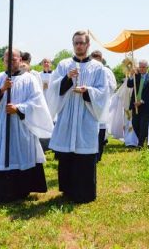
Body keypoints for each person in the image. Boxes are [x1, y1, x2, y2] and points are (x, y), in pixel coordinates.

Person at [0, 48, 54, 204]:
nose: (10, 62)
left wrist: (19, 108)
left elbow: (37, 102)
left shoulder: (29, 79)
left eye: (13, 59)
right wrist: (1, 90)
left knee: (21, 155)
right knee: (3, 156)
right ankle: (3, 192)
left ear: (20, 60)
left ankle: (22, 191)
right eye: (7, 59)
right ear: (3, 61)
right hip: (2, 127)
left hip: (21, 126)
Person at [47, 30, 109, 203]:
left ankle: (85, 192)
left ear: (88, 45)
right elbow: (53, 89)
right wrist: (66, 78)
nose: (79, 46)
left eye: (82, 43)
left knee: (84, 155)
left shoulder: (98, 68)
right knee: (67, 155)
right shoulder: (64, 65)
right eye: (76, 43)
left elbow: (104, 92)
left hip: (86, 117)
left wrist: (87, 91)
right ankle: (67, 190)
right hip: (67, 115)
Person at [90, 50, 117, 162]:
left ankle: (98, 154)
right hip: (90, 103)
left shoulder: (106, 71)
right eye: (93, 59)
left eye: (97, 59)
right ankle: (91, 152)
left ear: (101, 59)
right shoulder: (89, 70)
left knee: (101, 127)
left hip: (103, 103)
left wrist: (103, 93)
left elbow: (113, 86)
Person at [126, 60, 149, 148]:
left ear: (147, 67)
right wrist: (131, 75)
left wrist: (142, 101)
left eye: (143, 67)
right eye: (140, 67)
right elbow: (129, 85)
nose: (141, 69)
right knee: (135, 123)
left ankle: (140, 144)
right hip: (135, 105)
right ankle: (143, 139)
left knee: (144, 124)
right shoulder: (136, 76)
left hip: (146, 105)